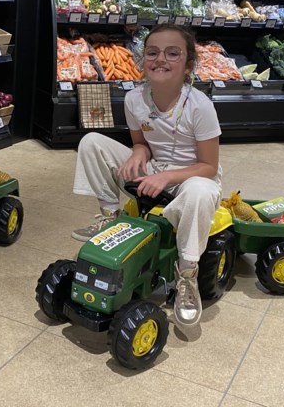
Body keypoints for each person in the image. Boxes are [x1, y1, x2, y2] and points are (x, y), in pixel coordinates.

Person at [71, 24, 222, 327]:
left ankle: (187, 274)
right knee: (91, 142)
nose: (160, 59)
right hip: (156, 169)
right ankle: (110, 217)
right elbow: (141, 142)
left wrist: (167, 178)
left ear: (188, 65)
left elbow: (209, 167)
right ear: (143, 60)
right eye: (152, 52)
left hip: (193, 178)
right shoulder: (134, 100)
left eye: (172, 53)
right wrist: (139, 153)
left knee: (199, 192)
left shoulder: (200, 107)